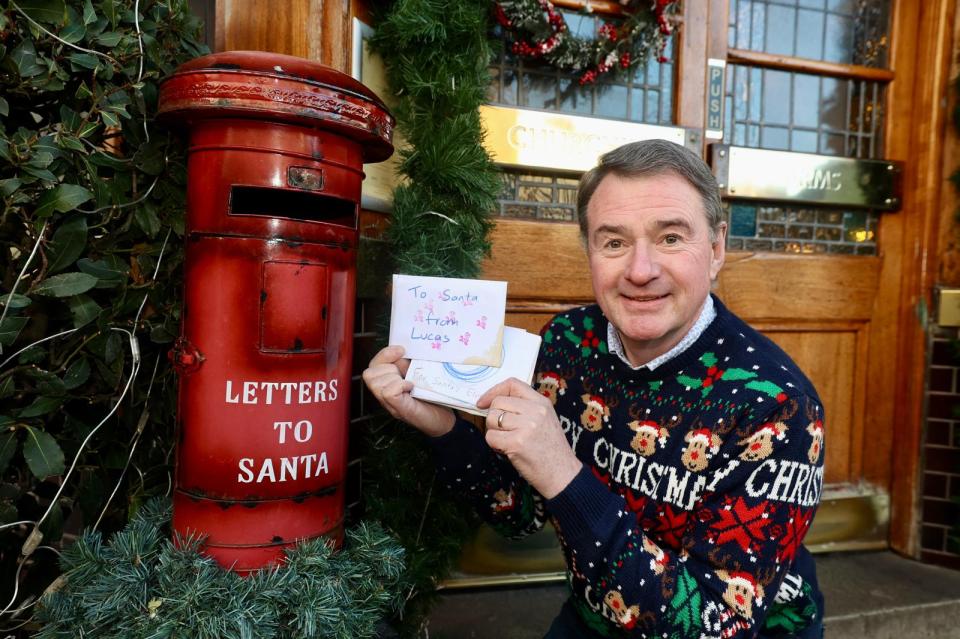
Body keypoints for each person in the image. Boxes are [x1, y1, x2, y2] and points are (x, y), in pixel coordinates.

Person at [363, 139, 825, 638]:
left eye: (670, 238)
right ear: (589, 251)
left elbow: (714, 626)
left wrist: (563, 471)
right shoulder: (568, 343)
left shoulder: (777, 405)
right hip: (595, 620)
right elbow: (518, 514)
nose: (640, 270)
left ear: (715, 250)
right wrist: (445, 429)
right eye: (614, 241)